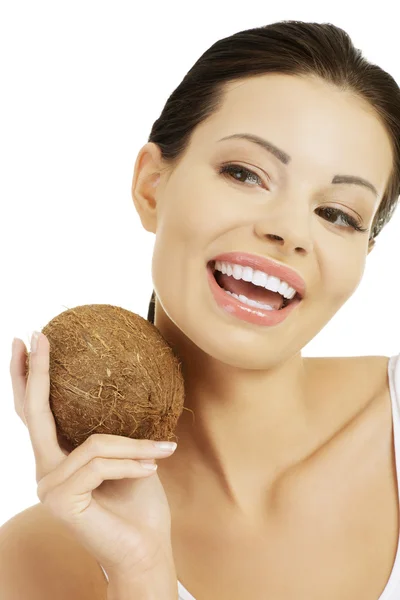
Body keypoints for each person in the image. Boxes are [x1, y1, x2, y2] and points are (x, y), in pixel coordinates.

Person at [3, 19, 400, 600]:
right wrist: (141, 571)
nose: (289, 231)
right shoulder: (35, 559)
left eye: (338, 214)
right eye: (245, 174)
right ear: (151, 185)